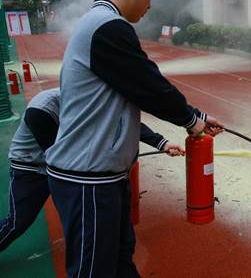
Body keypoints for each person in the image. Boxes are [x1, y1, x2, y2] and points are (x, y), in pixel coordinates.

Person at [45, 0, 223, 278]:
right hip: (88, 176)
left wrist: (195, 115)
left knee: (119, 264)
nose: (150, 4)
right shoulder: (109, 26)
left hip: (104, 175)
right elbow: (150, 86)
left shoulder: (99, 24)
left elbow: (139, 89)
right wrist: (193, 121)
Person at [0, 87, 184, 252]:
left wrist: (163, 143)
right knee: (18, 221)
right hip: (31, 167)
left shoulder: (88, 103)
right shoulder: (41, 109)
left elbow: (125, 124)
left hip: (65, 165)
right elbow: (58, 156)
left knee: (84, 218)